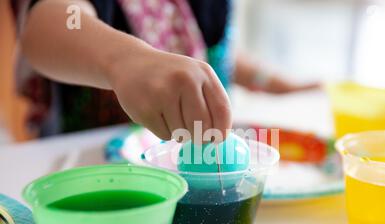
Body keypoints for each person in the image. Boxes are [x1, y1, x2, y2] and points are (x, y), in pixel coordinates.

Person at [15, 0, 318, 142]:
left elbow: (211, 51)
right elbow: (49, 23)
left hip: (201, 182)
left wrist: (272, 82)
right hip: (103, 185)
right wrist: (124, 61)